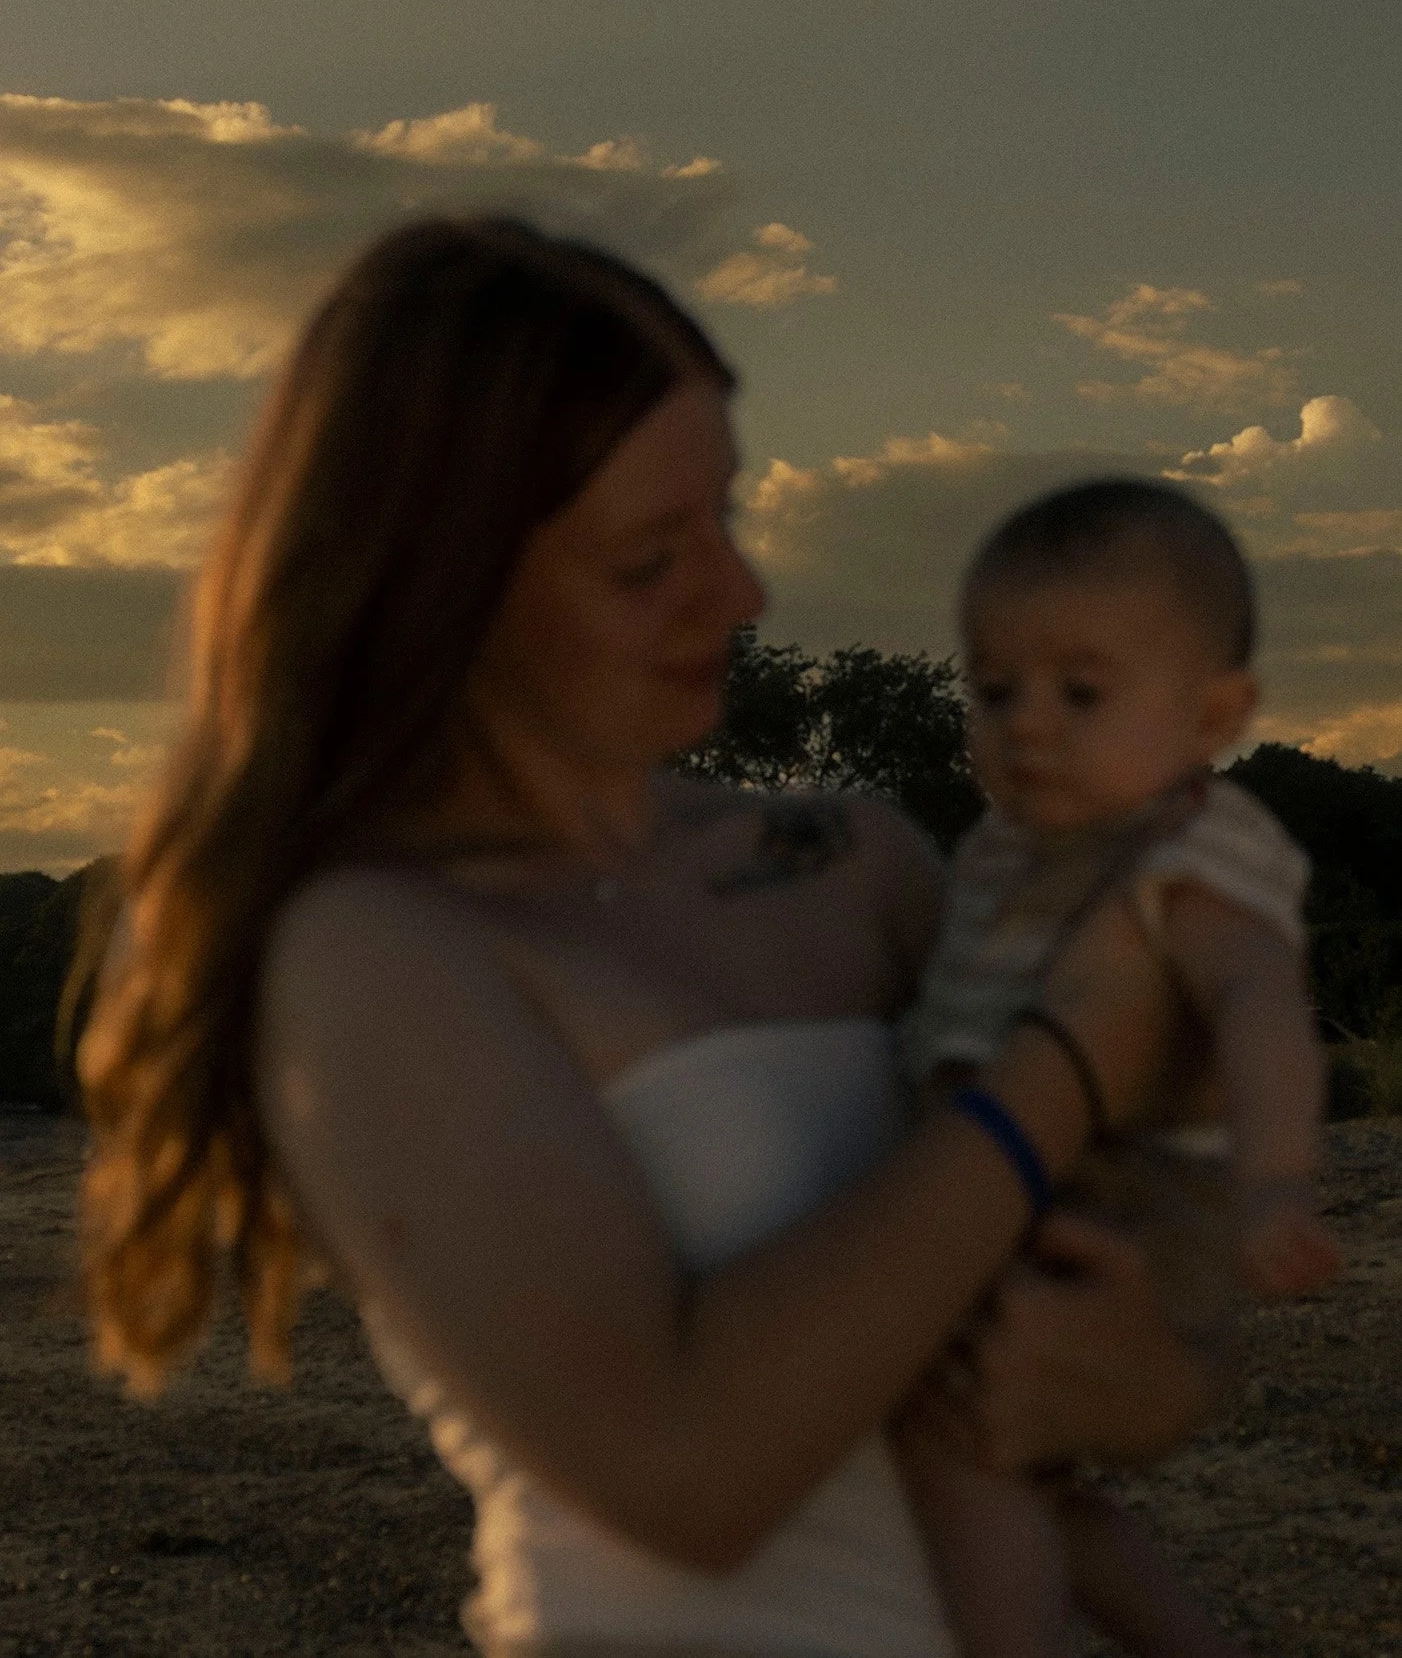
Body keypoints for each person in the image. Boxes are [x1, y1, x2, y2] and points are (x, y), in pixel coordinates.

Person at [77, 217, 1216, 1658]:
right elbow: (685, 1475)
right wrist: (1061, 1065)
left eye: (726, 519)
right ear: (449, 586)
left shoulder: (849, 864)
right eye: (646, 560)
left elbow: (1127, 1347)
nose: (738, 593)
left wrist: (1150, 1368)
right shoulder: (373, 952)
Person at [895, 480, 1339, 1658]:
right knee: (1037, 1490)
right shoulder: (1005, 853)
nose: (1028, 725)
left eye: (1080, 693)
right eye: (995, 691)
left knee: (963, 1455)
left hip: (1127, 1202)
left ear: (1213, 715)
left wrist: (1277, 1184)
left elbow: (1259, 1007)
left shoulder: (1186, 851)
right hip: (1036, 1186)